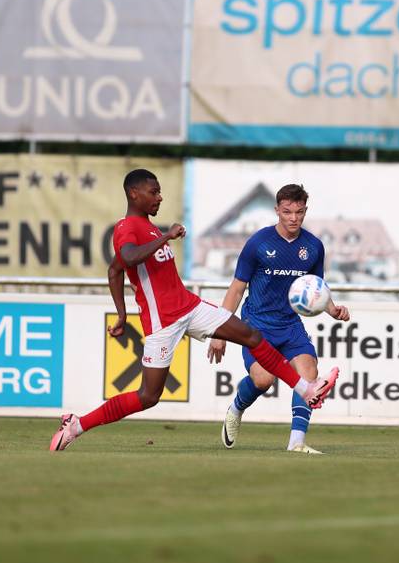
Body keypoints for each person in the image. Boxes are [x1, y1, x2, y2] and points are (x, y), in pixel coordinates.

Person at [49, 170, 339, 451]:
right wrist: (166, 238)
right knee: (148, 396)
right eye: (154, 192)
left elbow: (115, 272)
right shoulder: (127, 227)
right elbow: (125, 258)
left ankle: (306, 389)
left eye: (160, 191)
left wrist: (122, 314)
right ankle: (77, 425)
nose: (160, 197)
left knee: (251, 335)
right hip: (163, 320)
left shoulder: (149, 227)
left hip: (190, 306)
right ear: (133, 194)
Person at [208, 184, 350, 454]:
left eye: (299, 212)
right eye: (287, 212)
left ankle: (296, 442)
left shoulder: (313, 247)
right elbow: (237, 288)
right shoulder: (258, 243)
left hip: (290, 325)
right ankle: (236, 408)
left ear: (305, 211)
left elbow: (316, 287)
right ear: (277, 211)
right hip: (256, 325)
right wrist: (219, 331)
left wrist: (333, 310)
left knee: (309, 375)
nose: (293, 218)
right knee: (263, 381)